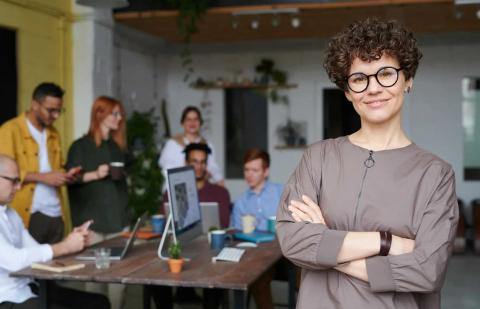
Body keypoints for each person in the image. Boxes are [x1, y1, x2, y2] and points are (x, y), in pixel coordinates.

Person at [277, 18, 459, 309]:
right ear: (348, 91)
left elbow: (427, 271)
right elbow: (293, 242)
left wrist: (326, 246)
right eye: (360, 78)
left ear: (408, 80)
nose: (373, 88)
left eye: (386, 73)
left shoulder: (435, 175)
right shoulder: (318, 158)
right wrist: (385, 242)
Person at [0, 154, 110, 309]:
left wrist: (74, 241)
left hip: (31, 290)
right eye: (14, 181)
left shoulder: (11, 214)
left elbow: (36, 251)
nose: (19, 187)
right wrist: (65, 246)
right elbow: (14, 261)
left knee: (99, 303)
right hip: (8, 299)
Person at [65, 96, 130, 309]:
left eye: (120, 114)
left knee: (118, 280)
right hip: (92, 223)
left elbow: (121, 188)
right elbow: (70, 179)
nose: (119, 118)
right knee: (93, 280)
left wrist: (127, 219)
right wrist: (95, 173)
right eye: (115, 113)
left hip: (118, 222)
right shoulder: (80, 146)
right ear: (100, 114)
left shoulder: (116, 147)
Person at [152, 143, 231, 309]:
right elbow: (167, 223)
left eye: (202, 162)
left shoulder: (220, 192)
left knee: (214, 275)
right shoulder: (171, 192)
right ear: (186, 164)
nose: (198, 166)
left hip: (209, 248)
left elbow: (223, 224)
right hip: (180, 246)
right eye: (194, 162)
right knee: (155, 275)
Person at [0, 82, 80, 244]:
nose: (56, 116)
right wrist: (44, 177)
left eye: (59, 110)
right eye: (51, 110)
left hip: (57, 213)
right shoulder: (10, 130)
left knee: (57, 264)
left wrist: (65, 175)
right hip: (29, 214)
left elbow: (55, 168)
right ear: (35, 105)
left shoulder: (54, 133)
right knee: (31, 266)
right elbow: (4, 173)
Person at [159, 106, 223, 185]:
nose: (192, 123)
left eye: (196, 119)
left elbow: (212, 167)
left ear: (200, 123)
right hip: (177, 186)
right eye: (188, 119)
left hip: (200, 188)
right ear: (182, 123)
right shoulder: (172, 144)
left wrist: (219, 180)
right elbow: (165, 168)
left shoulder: (207, 145)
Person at [231, 149, 284, 231]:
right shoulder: (240, 202)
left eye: (255, 170)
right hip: (251, 243)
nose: (249, 175)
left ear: (266, 172)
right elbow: (237, 233)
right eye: (246, 170)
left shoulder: (281, 192)